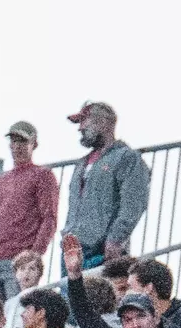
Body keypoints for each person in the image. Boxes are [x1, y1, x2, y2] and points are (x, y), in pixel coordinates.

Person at [64, 101, 151, 267]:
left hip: (102, 250)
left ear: (104, 122)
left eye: (84, 121)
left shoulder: (126, 157)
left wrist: (116, 238)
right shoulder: (81, 163)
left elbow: (133, 203)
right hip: (72, 248)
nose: (80, 128)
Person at [0, 123, 60, 299]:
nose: (17, 146)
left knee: (17, 311)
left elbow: (49, 218)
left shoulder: (42, 175)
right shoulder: (0, 180)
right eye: (13, 141)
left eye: (22, 141)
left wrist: (34, 255)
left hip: (18, 260)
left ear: (34, 144)